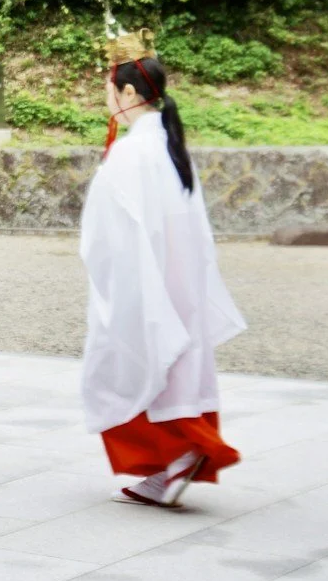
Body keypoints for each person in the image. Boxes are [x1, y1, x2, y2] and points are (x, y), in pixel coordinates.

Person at [79, 32, 247, 506]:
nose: (107, 101)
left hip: (149, 279)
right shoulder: (171, 149)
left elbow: (110, 230)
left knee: (137, 362)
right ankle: (172, 464)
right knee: (174, 367)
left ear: (129, 93)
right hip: (180, 280)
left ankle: (178, 455)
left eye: (110, 92)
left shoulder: (133, 152)